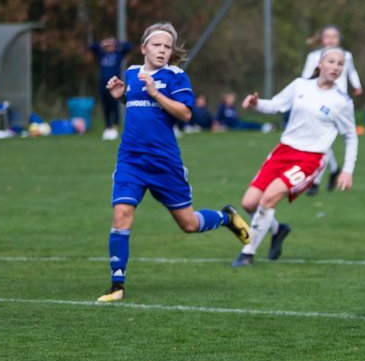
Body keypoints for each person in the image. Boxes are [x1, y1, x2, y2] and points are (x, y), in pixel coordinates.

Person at [97, 22, 250, 302]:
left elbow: (185, 114)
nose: (163, 50)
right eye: (157, 45)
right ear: (144, 48)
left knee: (189, 224)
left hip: (164, 163)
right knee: (121, 214)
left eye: (167, 47)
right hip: (131, 160)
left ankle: (226, 217)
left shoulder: (176, 76)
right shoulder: (131, 74)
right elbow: (136, 105)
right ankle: (117, 284)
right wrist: (122, 97)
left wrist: (156, 93)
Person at [230, 47, 359, 267]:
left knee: (268, 199)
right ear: (320, 64)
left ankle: (247, 253)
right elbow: (276, 105)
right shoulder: (300, 85)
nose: (335, 67)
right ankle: (277, 230)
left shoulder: (342, 101)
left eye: (340, 64)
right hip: (283, 151)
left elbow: (351, 136)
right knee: (249, 203)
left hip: (310, 159)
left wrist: (347, 169)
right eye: (331, 61)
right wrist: (256, 104)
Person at [301, 25, 361, 193]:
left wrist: (357, 85)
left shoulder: (346, 55)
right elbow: (306, 77)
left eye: (334, 36)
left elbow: (351, 72)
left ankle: (318, 179)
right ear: (322, 39)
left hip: (338, 105)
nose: (331, 39)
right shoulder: (313, 56)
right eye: (327, 36)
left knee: (323, 140)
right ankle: (329, 172)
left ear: (338, 39)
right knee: (322, 140)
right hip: (317, 103)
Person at [90, 36, 132, 140]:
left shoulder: (118, 55)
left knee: (115, 106)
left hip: (115, 86)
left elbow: (128, 47)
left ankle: (115, 127)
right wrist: (102, 42)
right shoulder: (102, 54)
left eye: (111, 45)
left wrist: (116, 43)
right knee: (106, 106)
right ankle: (108, 127)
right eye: (108, 46)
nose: (109, 47)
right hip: (103, 85)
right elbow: (91, 47)